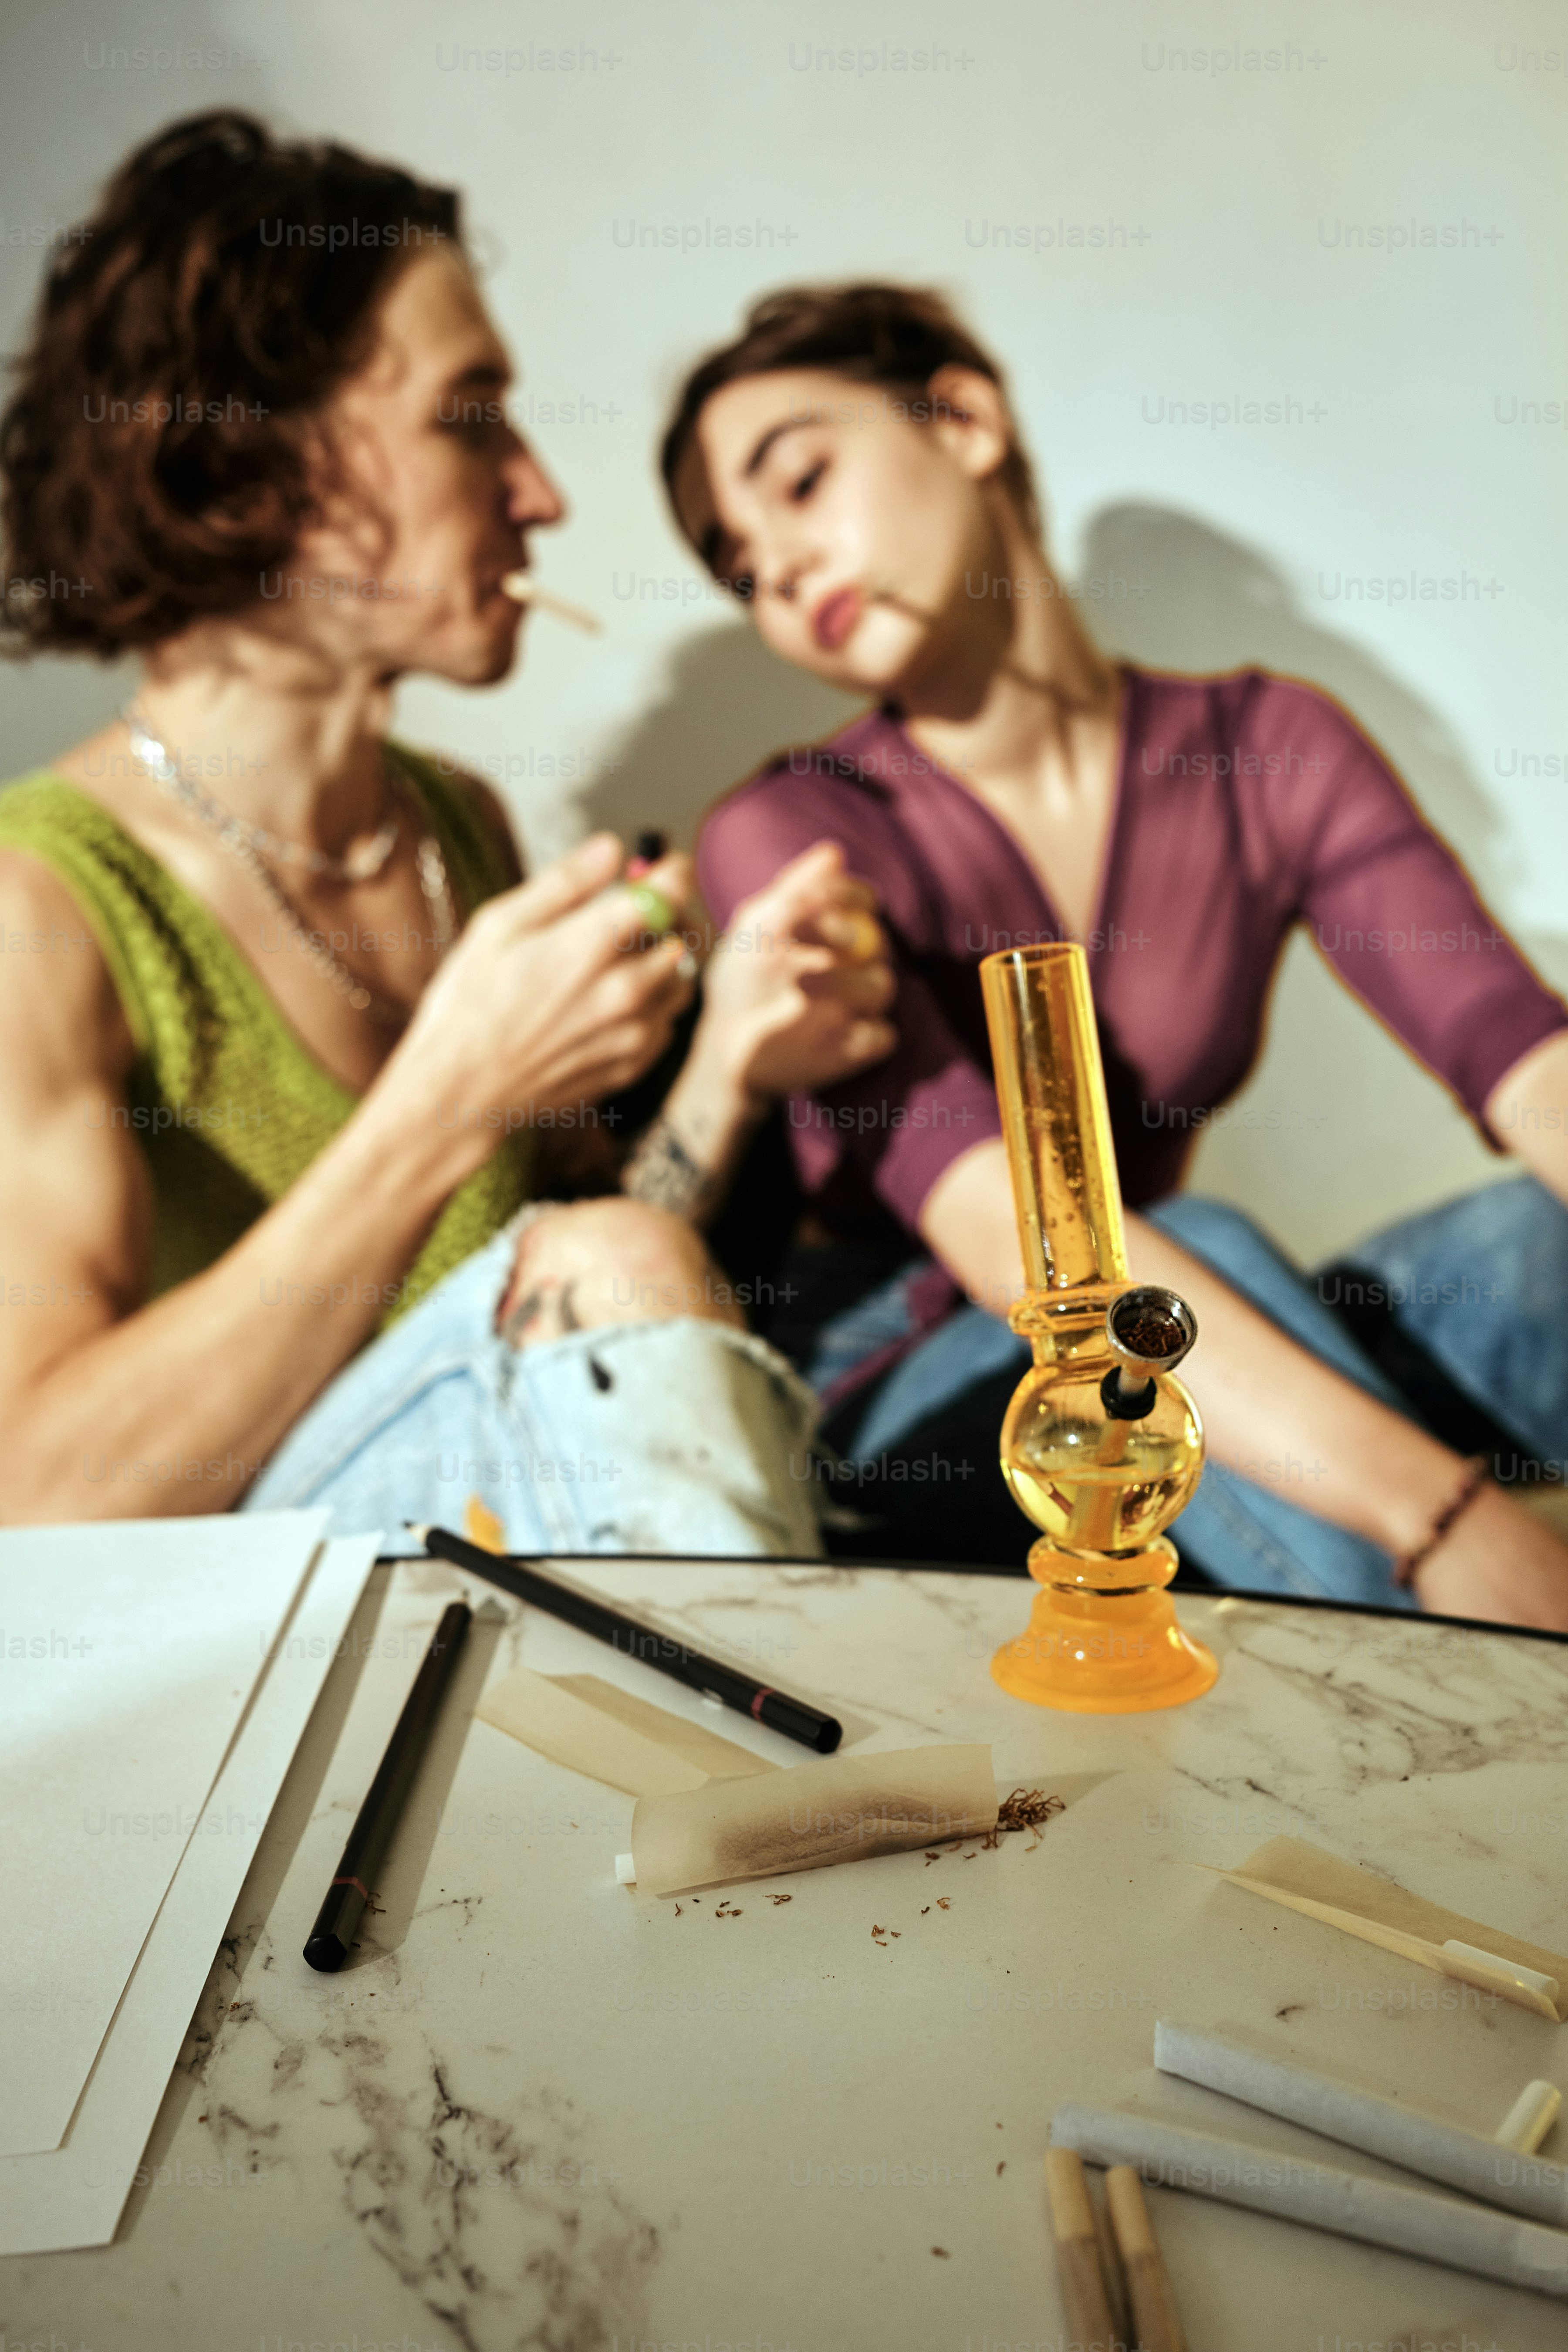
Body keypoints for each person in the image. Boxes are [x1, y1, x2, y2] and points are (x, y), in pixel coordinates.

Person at [0, 115, 897, 1553]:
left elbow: (585, 1285)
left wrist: (727, 1061)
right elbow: (34, 1498)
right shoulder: (42, 902)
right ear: (252, 462)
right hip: (215, 1622)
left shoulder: (452, 826)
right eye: (471, 415)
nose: (539, 492)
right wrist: (450, 1095)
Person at [659, 280, 1568, 1625]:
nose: (779, 572)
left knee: (1535, 1246)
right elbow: (1016, 1238)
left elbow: (1524, 1057)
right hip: (915, 1401)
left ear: (962, 416)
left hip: (1187, 1321)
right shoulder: (789, 838)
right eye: (739, 567)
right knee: (1170, 1272)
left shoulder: (1272, 750)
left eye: (799, 481)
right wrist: (1447, 1523)